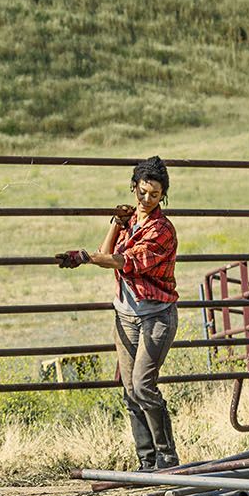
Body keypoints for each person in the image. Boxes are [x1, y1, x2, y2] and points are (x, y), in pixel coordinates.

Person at [58, 157, 180, 470]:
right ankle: (146, 459)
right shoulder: (128, 222)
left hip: (156, 314)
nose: (147, 200)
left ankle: (167, 456)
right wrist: (116, 221)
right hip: (125, 314)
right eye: (142, 192)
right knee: (129, 390)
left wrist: (86, 257)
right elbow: (106, 248)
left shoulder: (162, 230)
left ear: (162, 195)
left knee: (142, 385)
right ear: (134, 188)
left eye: (154, 195)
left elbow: (123, 260)